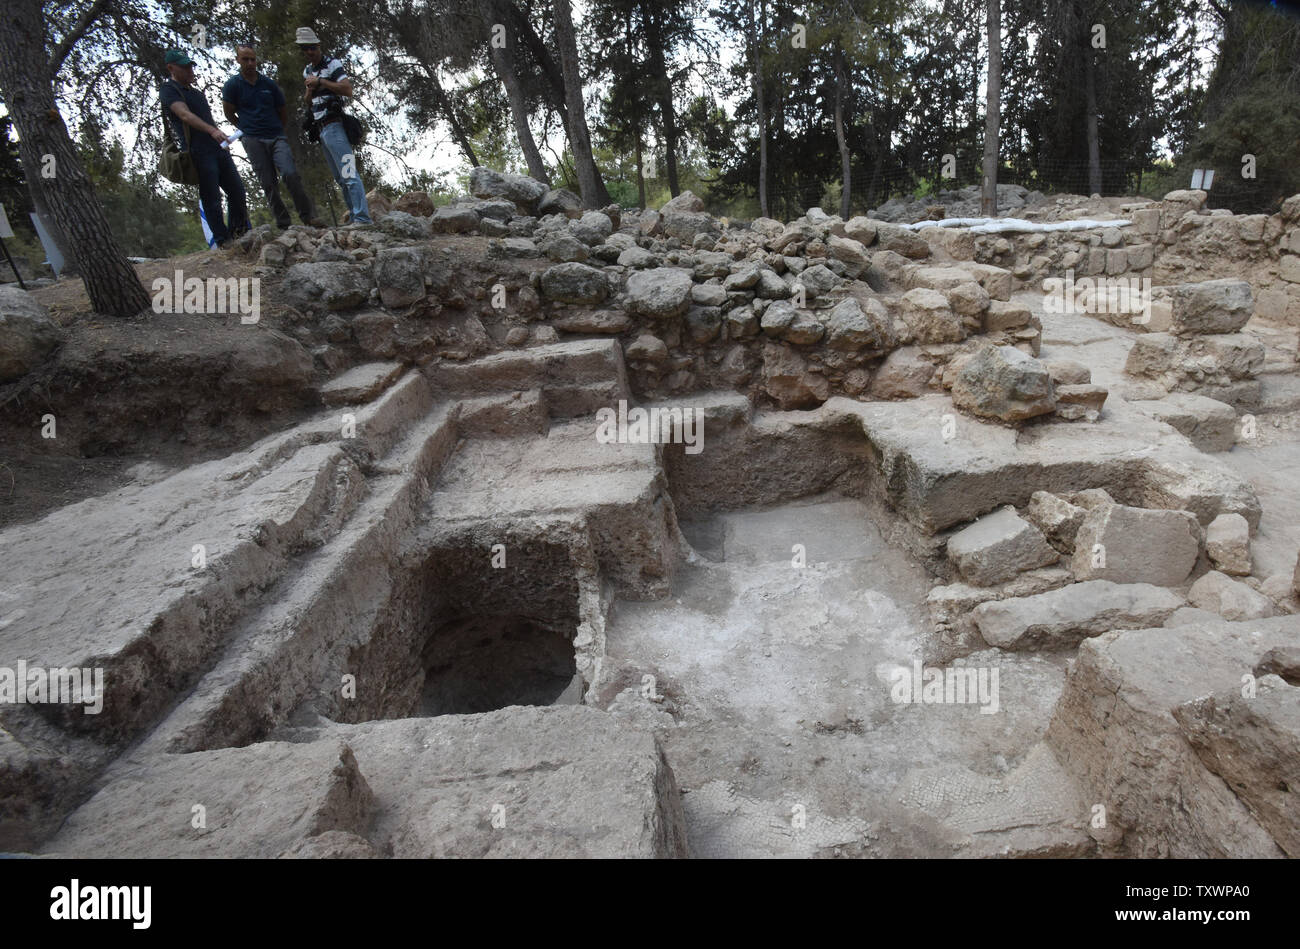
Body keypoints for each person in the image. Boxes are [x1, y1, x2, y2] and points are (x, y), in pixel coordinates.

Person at [222, 43, 324, 230]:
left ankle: (308, 217)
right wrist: (245, 129)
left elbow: (282, 110)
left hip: (276, 136)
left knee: (290, 173)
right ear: (238, 60)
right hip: (252, 139)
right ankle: (283, 222)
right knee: (268, 182)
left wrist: (277, 129)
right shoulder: (232, 86)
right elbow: (228, 113)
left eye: (253, 59)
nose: (250, 63)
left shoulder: (268, 84)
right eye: (245, 59)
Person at [160, 49, 249, 248]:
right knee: (212, 197)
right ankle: (223, 240)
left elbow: (207, 119)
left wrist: (220, 138)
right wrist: (212, 131)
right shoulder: (169, 90)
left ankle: (239, 233)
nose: (190, 71)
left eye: (191, 66)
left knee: (237, 190)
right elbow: (184, 115)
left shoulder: (197, 94)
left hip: (217, 148)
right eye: (184, 67)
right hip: (197, 151)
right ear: (171, 68)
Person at [297, 27, 371, 225]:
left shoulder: (332, 64)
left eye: (312, 47)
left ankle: (362, 218)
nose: (310, 52)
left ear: (318, 45)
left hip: (335, 125)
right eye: (305, 49)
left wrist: (321, 81)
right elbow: (308, 101)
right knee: (340, 177)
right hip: (321, 128)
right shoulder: (307, 71)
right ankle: (355, 216)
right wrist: (310, 89)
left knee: (349, 172)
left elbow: (347, 89)